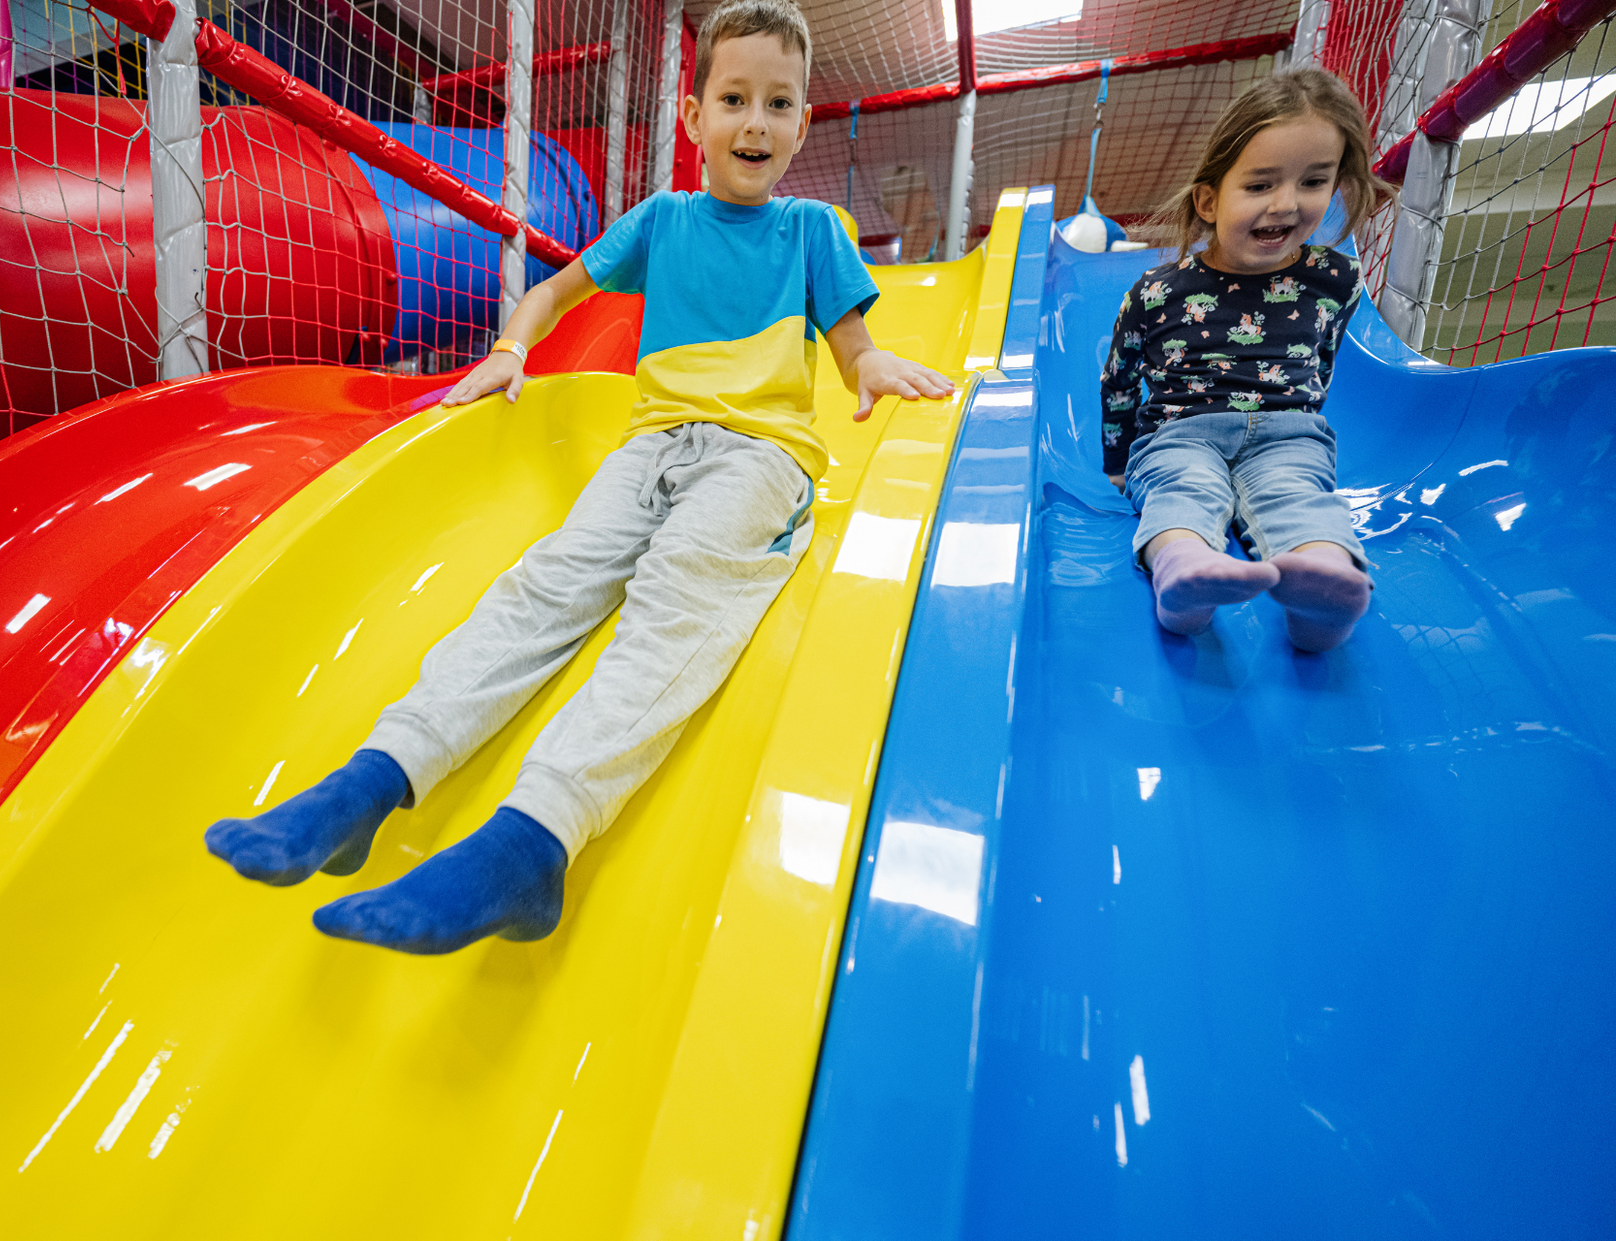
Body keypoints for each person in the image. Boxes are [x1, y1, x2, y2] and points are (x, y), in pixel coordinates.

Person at [202, 0, 951, 953]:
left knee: (678, 596)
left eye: (778, 104)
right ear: (693, 117)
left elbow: (851, 348)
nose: (754, 123)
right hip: (651, 446)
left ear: (802, 124)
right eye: (734, 99)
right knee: (546, 584)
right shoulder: (663, 219)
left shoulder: (810, 230)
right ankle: (370, 782)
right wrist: (512, 348)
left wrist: (872, 366)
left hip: (761, 459)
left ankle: (533, 845)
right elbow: (559, 290)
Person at [1100, 69, 1394, 652]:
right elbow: (1120, 378)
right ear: (1209, 200)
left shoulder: (1336, 278)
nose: (1286, 204)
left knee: (1299, 495)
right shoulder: (1158, 290)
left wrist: (1306, 424)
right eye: (1260, 186)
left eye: (1313, 181)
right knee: (1183, 489)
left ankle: (1325, 591)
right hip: (1180, 432)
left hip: (1287, 432)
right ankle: (1183, 573)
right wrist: (1118, 458)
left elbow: (1321, 357)